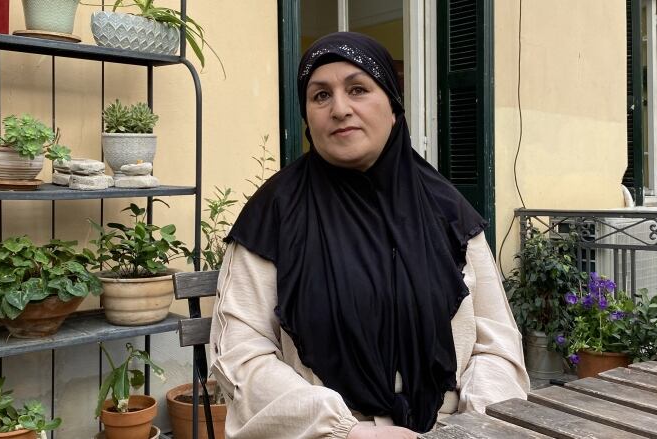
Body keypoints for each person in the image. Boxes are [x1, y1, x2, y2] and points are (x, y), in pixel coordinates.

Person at [209, 32, 528, 439]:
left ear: (393, 106)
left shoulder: (445, 209)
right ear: (307, 116)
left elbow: (496, 343)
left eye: (358, 89)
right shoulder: (276, 211)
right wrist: (346, 431)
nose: (339, 109)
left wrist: (474, 422)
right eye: (320, 96)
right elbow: (241, 354)